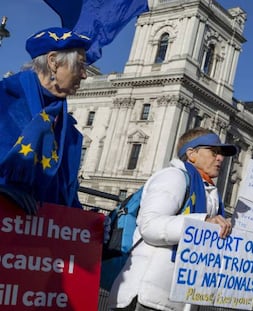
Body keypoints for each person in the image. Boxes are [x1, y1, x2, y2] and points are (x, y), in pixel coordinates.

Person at [109, 127, 238, 311]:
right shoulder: (174, 177)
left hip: (176, 300)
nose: (220, 158)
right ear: (191, 154)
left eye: (221, 154)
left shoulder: (210, 193)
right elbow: (150, 227)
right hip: (146, 297)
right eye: (213, 152)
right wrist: (203, 222)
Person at [0, 27, 92, 213]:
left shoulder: (69, 130)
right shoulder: (5, 99)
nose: (84, 75)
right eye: (80, 65)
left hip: (39, 234)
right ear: (53, 62)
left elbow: (67, 193)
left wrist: (88, 224)